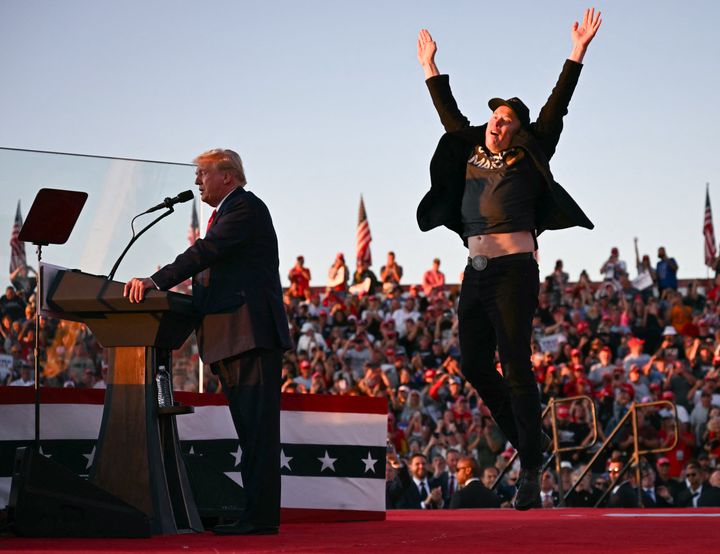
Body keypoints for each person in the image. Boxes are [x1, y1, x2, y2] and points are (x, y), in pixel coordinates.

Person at [415, 8, 601, 510]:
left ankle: (530, 473)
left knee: (516, 362)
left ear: (517, 130)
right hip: (475, 272)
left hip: (515, 270)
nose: (498, 124)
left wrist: (577, 52)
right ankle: (529, 445)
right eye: (495, 117)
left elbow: (557, 106)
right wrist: (431, 66)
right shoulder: (470, 145)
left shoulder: (530, 150)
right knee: (474, 363)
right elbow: (449, 115)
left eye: (507, 120)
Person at [124, 148, 291, 535]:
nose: (197, 181)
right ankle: (255, 514)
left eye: (202, 173)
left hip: (249, 335)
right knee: (249, 431)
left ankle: (260, 518)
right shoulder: (228, 212)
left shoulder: (245, 209)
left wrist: (156, 281)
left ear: (228, 176)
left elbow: (206, 252)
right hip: (232, 336)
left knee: (257, 432)